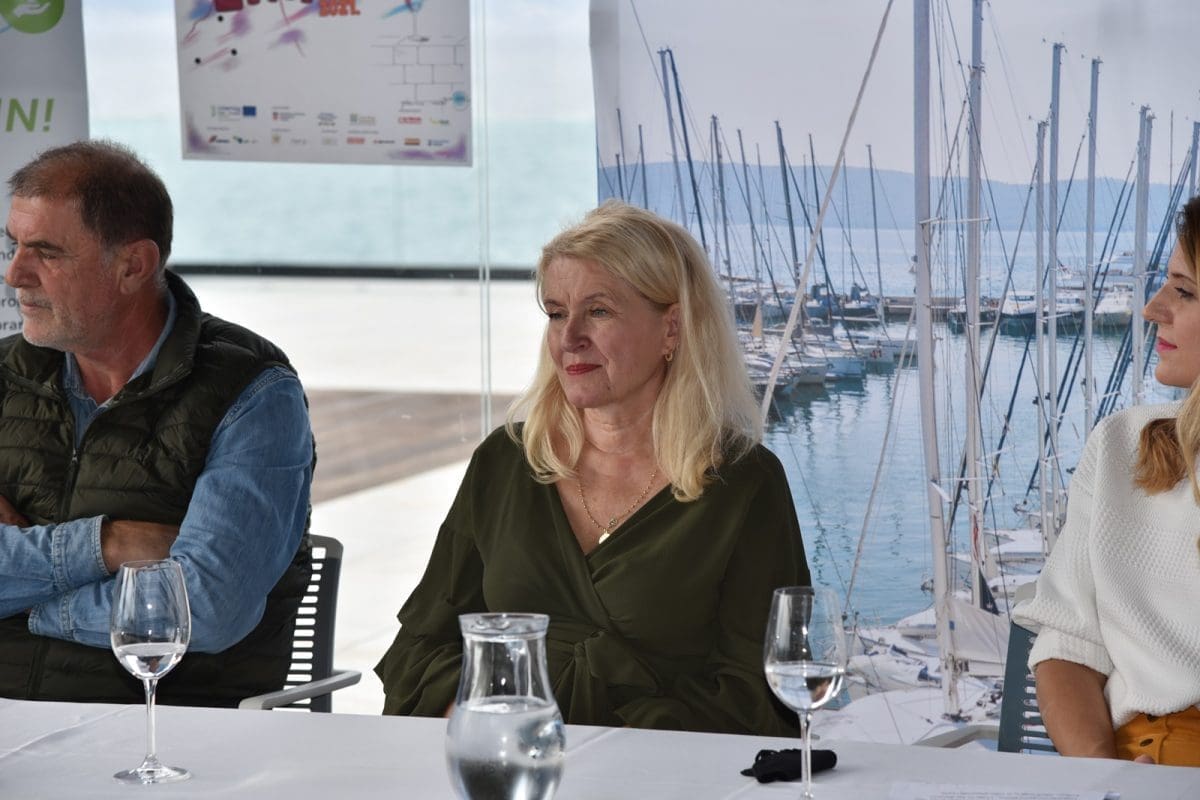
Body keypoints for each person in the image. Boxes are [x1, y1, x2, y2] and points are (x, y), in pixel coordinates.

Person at [376, 201, 809, 735]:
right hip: (507, 763)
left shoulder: (744, 482)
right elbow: (421, 646)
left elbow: (760, 695)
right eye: (556, 313)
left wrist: (593, 736)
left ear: (672, 328)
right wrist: (485, 721)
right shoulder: (504, 463)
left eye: (598, 311)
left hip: (659, 772)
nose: (569, 338)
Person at [0, 140, 314, 706]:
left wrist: (24, 600)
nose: (15, 274)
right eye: (13, 245)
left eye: (46, 252)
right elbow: (167, 599)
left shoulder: (251, 393)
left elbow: (206, 609)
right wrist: (108, 545)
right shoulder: (4, 376)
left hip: (164, 736)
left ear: (133, 266)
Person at [1013, 195, 1200, 766]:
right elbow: (1069, 643)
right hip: (1146, 761)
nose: (1153, 308)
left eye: (1185, 291)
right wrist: (1103, 776)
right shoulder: (1123, 445)